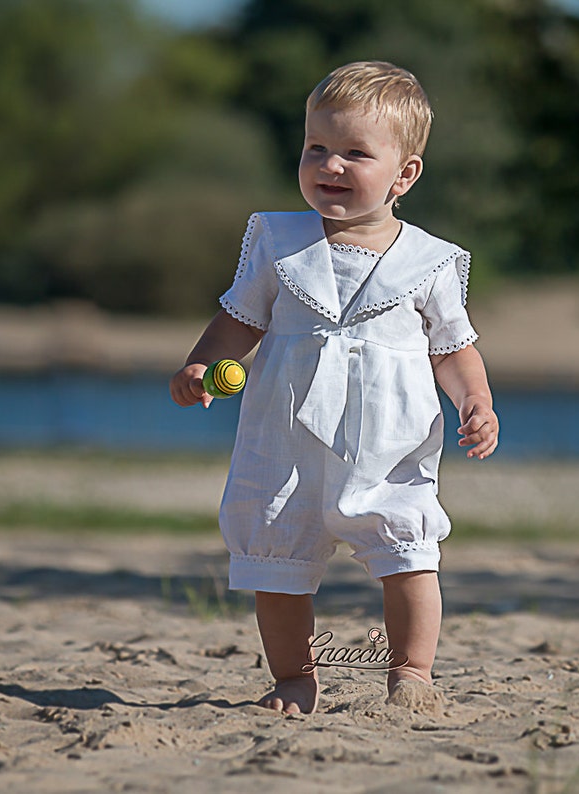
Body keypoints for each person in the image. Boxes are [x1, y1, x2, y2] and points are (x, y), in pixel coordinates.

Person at [170, 61, 499, 715]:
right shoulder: (278, 243)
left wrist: (474, 400)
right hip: (284, 437)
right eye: (317, 148)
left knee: (408, 547)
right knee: (276, 554)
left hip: (391, 440)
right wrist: (202, 367)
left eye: (355, 152)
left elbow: (454, 350)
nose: (331, 165)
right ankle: (294, 677)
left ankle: (413, 672)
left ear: (404, 174)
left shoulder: (427, 262)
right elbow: (238, 321)